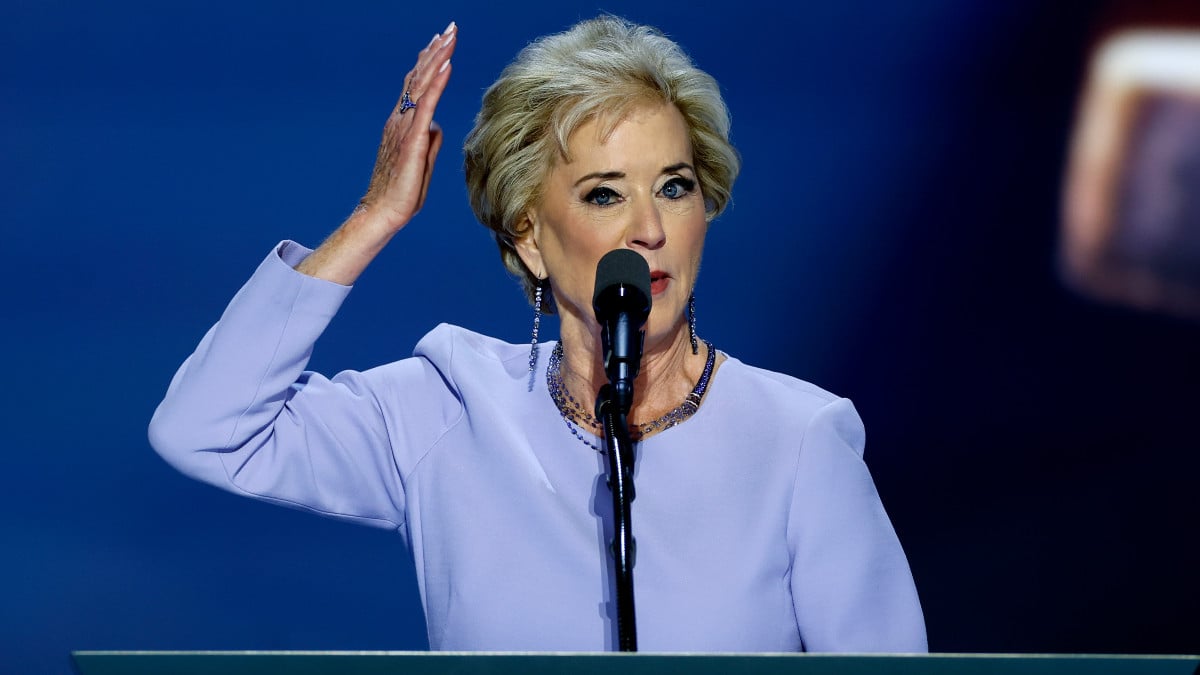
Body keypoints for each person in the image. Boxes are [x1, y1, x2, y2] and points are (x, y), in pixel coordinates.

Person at [149, 16, 927, 652]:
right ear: (529, 235)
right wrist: (375, 216)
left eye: (674, 187)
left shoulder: (798, 440)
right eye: (603, 194)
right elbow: (207, 431)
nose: (649, 229)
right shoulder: (447, 408)